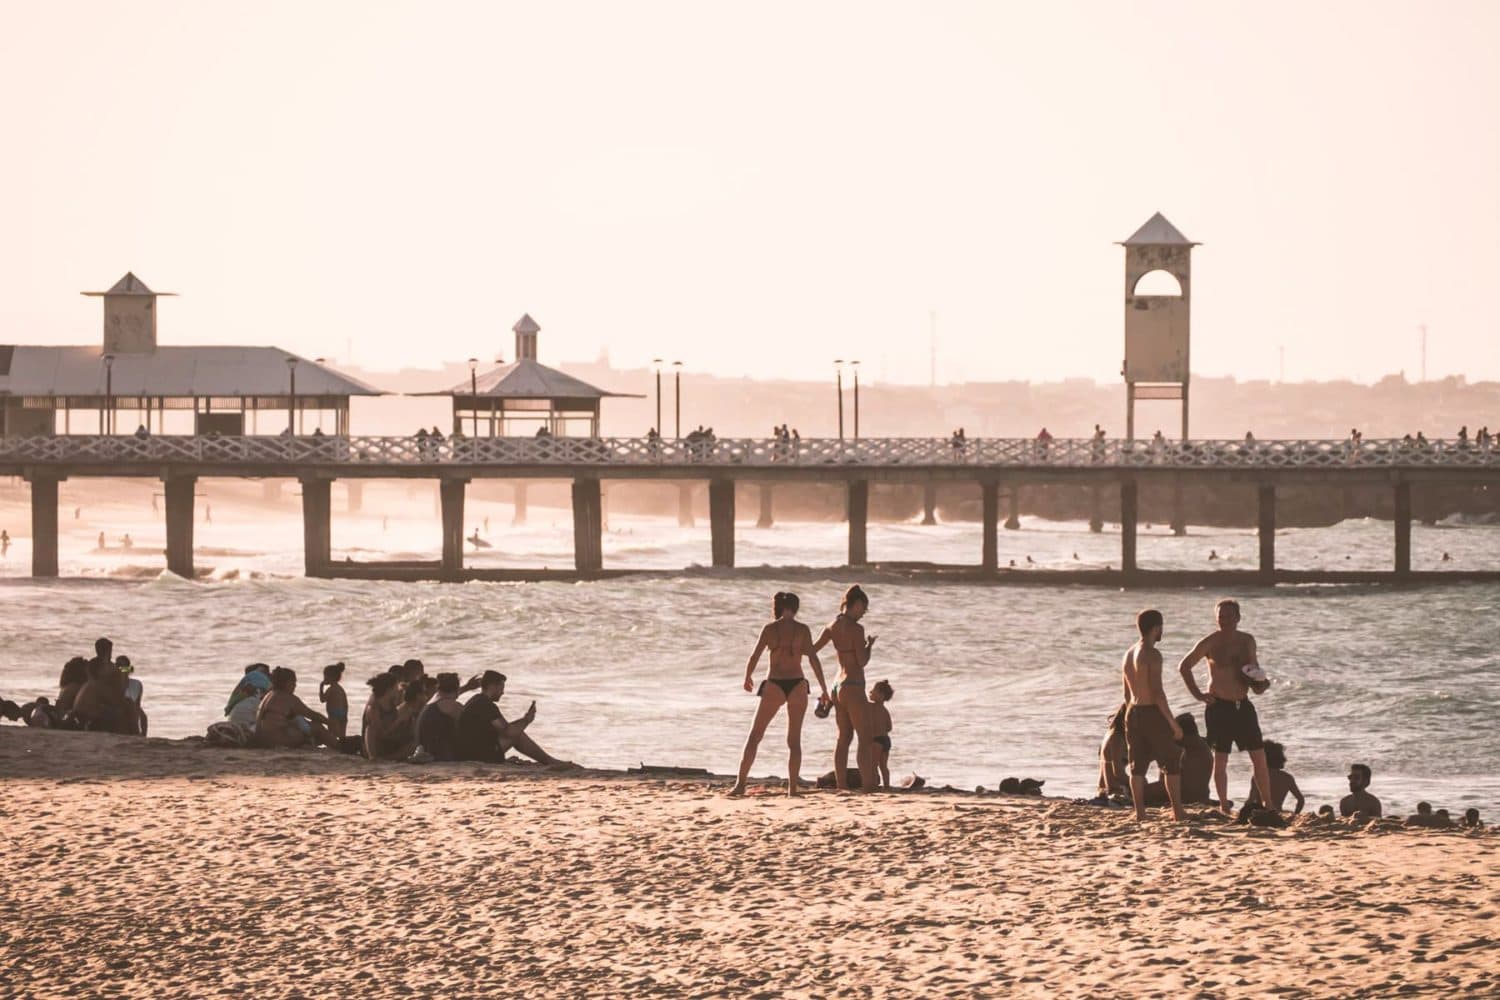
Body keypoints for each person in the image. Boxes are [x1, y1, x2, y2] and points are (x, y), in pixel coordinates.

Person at [729, 592, 830, 797]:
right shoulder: (803, 629)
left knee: (755, 736)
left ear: (777, 607)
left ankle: (740, 785)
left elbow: (755, 655)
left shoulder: (770, 629)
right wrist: (824, 688)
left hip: (774, 683)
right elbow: (813, 659)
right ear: (795, 607)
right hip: (797, 684)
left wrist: (747, 676)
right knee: (794, 740)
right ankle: (792, 789)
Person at [1178, 599, 1273, 816]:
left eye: (1229, 616)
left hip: (1243, 706)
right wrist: (1198, 694)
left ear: (1238, 618)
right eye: (1221, 617)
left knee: (1259, 757)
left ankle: (1269, 804)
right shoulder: (1210, 642)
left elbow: (1254, 673)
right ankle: (1223, 806)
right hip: (1218, 706)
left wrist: (1261, 684)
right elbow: (1184, 666)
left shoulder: (1247, 641)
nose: (1225, 621)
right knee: (1220, 759)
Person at [1121, 609, 1186, 822]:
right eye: (1161, 627)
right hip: (1150, 712)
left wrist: (1128, 714)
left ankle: (1140, 813)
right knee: (1171, 761)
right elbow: (1157, 692)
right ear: (1156, 627)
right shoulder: (1152, 654)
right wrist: (1173, 723)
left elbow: (1126, 692)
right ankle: (1178, 811)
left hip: (1132, 710)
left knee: (1137, 765)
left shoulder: (1128, 653)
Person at [812, 585, 877, 792]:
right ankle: (868, 785)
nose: (862, 614)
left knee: (843, 739)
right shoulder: (857, 630)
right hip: (854, 685)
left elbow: (812, 650)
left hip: (837, 686)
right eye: (862, 609)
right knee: (864, 738)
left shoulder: (831, 625)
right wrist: (869, 646)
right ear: (856, 604)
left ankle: (841, 785)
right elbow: (861, 661)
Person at [456, 670, 564, 764]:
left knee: (516, 731)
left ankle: (549, 760)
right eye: (501, 688)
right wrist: (527, 720)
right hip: (478, 755)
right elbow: (508, 732)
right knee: (517, 735)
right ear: (493, 686)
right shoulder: (485, 704)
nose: (503, 692)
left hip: (468, 752)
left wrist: (524, 719)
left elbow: (504, 727)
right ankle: (549, 761)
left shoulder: (476, 700)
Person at [254, 667, 336, 750]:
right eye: (293, 682)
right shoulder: (288, 698)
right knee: (317, 727)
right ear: (286, 683)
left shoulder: (269, 695)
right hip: (276, 739)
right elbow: (312, 715)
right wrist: (330, 723)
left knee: (303, 726)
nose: (295, 685)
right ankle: (338, 746)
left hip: (261, 739)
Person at [1144, 713, 1213, 806]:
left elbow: (1147, 759)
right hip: (1202, 796)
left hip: (1184, 795)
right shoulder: (1202, 743)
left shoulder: (1180, 745)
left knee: (1140, 791)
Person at [1239, 740, 1303, 818]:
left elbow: (1251, 799)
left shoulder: (1259, 776)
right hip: (1276, 813)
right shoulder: (1287, 778)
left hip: (1260, 813)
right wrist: (1296, 815)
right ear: (1281, 758)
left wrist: (1243, 811)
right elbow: (1301, 800)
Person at [414, 672, 464, 761]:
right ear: (457, 689)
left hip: (424, 751)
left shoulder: (429, 705)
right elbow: (468, 729)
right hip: (439, 755)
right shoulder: (453, 706)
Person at [361, 673, 410, 760]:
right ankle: (375, 757)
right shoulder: (374, 707)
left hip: (389, 740)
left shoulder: (391, 702)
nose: (397, 689)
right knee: (370, 729)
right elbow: (381, 734)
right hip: (377, 744)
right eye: (396, 686)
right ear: (389, 689)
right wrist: (398, 722)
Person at [1097, 703, 1129, 799]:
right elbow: (1118, 773)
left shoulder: (1110, 734)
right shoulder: (1117, 739)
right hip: (1114, 792)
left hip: (1103, 790)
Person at [869, 679, 895, 789]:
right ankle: (886, 785)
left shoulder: (871, 707)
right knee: (883, 766)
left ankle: (873, 785)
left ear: (881, 695)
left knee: (873, 764)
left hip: (877, 740)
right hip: (886, 740)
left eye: (873, 691)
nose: (870, 692)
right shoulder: (885, 710)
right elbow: (889, 727)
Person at [116, 655, 147, 737]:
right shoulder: (112, 684)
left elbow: (137, 706)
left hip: (132, 719)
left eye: (123, 666)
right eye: (118, 666)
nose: (121, 669)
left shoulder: (136, 684)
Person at [319, 663, 348, 740]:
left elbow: (322, 700)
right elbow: (345, 703)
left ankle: (334, 746)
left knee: (332, 734)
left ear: (331, 677)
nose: (324, 678)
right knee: (342, 735)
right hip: (343, 712)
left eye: (325, 676)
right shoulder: (341, 689)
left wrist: (321, 687)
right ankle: (343, 744)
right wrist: (345, 715)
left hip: (333, 713)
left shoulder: (331, 689)